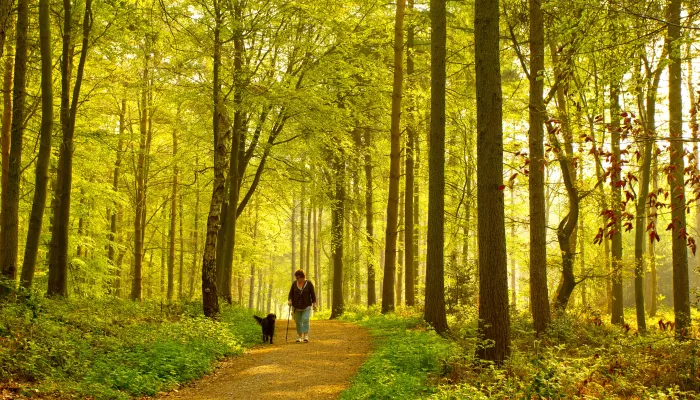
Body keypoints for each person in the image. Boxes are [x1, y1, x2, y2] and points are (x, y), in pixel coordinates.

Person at [288, 269, 317, 343]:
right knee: (298, 321)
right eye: (296, 278)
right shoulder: (294, 283)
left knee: (305, 319)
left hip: (306, 306)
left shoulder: (309, 283)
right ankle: (299, 336)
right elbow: (290, 294)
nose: (297, 279)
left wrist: (314, 303)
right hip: (296, 307)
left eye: (298, 278)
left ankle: (306, 336)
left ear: (302, 277)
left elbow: (313, 294)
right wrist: (290, 300)